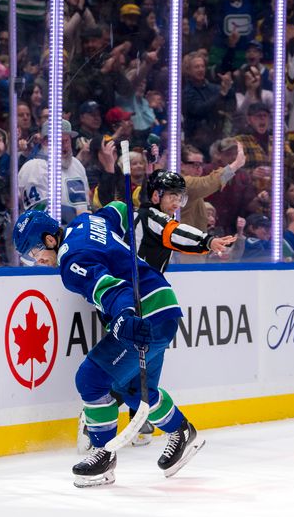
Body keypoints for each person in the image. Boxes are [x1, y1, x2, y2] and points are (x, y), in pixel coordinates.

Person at [12, 204, 206, 487]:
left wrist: (124, 318)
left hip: (144, 315)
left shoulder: (71, 262)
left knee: (91, 379)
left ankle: (103, 455)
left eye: (34, 253)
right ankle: (182, 432)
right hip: (164, 306)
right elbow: (120, 209)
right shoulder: (86, 222)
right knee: (136, 390)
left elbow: (114, 290)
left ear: (50, 239)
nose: (36, 260)